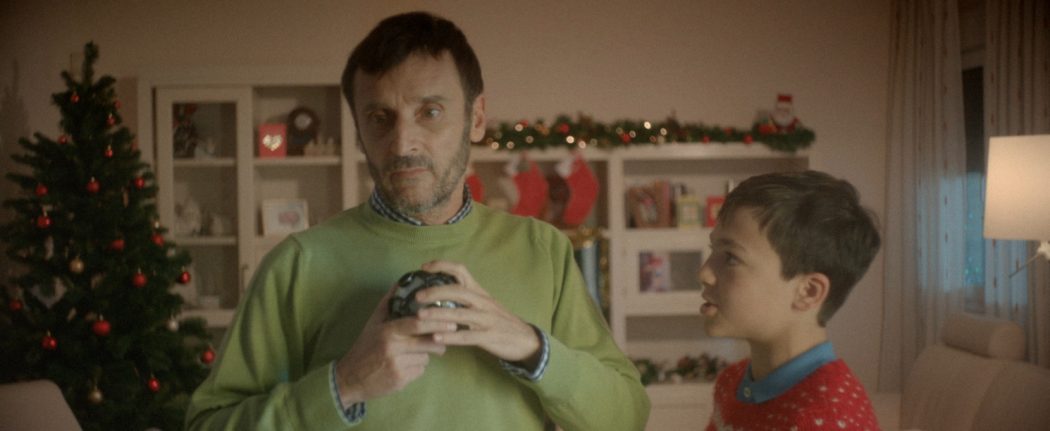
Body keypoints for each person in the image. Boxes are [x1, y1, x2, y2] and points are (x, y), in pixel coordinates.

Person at [185, 11, 650, 431]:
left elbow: (626, 416)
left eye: (430, 112)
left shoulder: (543, 250)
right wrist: (343, 386)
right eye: (379, 117)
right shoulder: (296, 264)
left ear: (476, 118)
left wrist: (531, 347)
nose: (403, 143)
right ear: (359, 130)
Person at [699, 170, 881, 430]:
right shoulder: (732, 382)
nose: (704, 273)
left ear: (808, 292)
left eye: (731, 257)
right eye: (713, 250)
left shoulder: (827, 420)